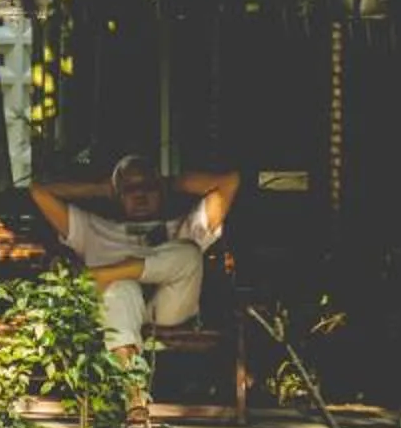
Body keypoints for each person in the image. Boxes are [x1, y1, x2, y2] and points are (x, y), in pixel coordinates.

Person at [28, 155, 242, 361]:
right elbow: (39, 192)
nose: (140, 195)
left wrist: (171, 183)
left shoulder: (184, 226)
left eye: (148, 187)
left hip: (168, 310)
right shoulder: (92, 229)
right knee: (121, 289)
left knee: (189, 252)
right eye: (130, 189)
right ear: (117, 194)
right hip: (118, 312)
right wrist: (100, 189)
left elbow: (229, 182)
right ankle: (126, 378)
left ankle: (104, 275)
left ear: (160, 191)